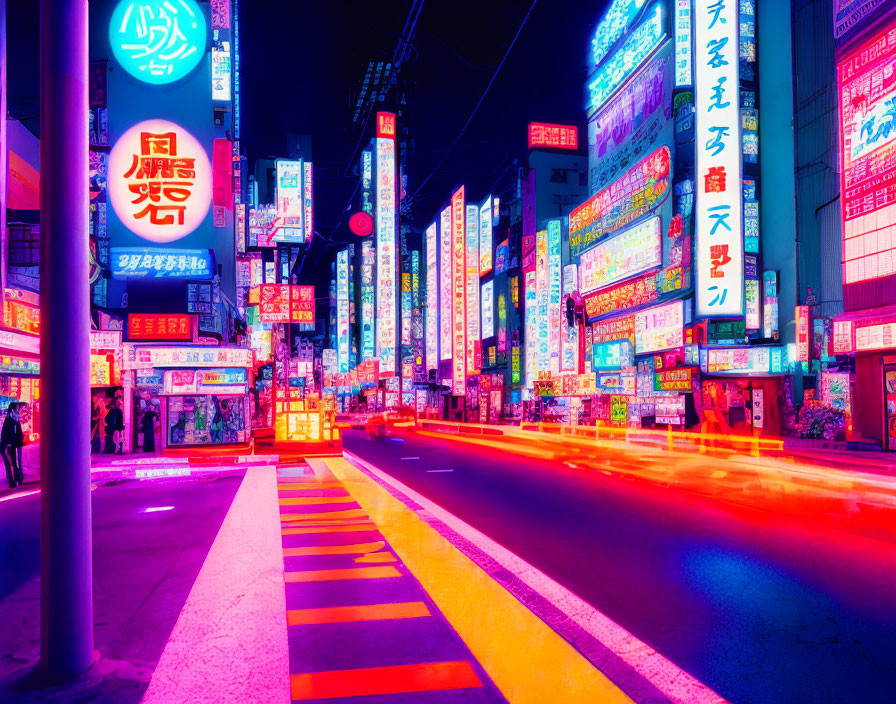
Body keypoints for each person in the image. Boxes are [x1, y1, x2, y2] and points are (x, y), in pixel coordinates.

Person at [2, 403, 24, 488]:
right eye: (16, 410)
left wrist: (19, 443)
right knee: (10, 464)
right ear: (12, 411)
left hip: (12, 446)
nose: (18, 411)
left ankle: (16, 480)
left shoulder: (15, 421)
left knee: (14, 464)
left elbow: (19, 434)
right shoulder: (9, 422)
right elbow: (6, 436)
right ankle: (13, 482)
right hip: (7, 447)